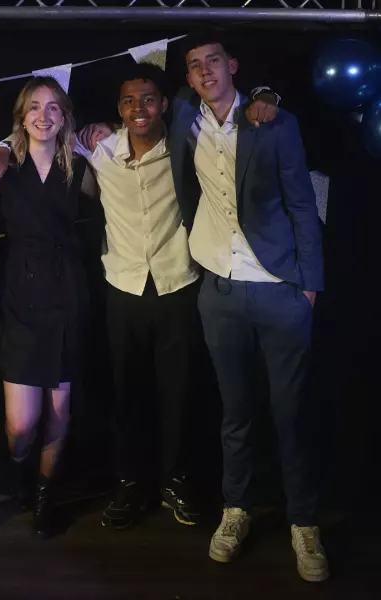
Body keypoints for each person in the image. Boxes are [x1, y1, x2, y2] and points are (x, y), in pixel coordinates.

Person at [0, 64, 279, 531]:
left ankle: (175, 482)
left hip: (177, 283)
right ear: (118, 110)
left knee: (180, 394)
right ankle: (129, 484)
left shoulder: (187, 146)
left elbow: (222, 113)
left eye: (147, 99)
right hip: (121, 286)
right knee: (125, 395)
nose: (138, 108)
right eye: (128, 101)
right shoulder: (99, 149)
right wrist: (1, 146)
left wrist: (265, 92)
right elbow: (38, 132)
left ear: (164, 105)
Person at [171, 31, 328, 582]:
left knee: (291, 413)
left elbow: (303, 204)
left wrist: (308, 285)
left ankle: (303, 521)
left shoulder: (274, 121)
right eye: (195, 65)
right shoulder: (183, 117)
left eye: (213, 60)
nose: (205, 71)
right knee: (234, 413)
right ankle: (235, 510)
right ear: (188, 78)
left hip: (280, 286)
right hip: (219, 289)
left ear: (232, 65)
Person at [0, 76, 97, 538]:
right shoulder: (5, 163)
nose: (43, 115)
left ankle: (45, 495)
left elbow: (122, 196)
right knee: (21, 423)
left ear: (64, 116)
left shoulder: (79, 166)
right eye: (34, 106)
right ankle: (19, 471)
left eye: (53, 107)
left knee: (59, 411)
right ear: (21, 115)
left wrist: (105, 135)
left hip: (67, 294)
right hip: (21, 297)